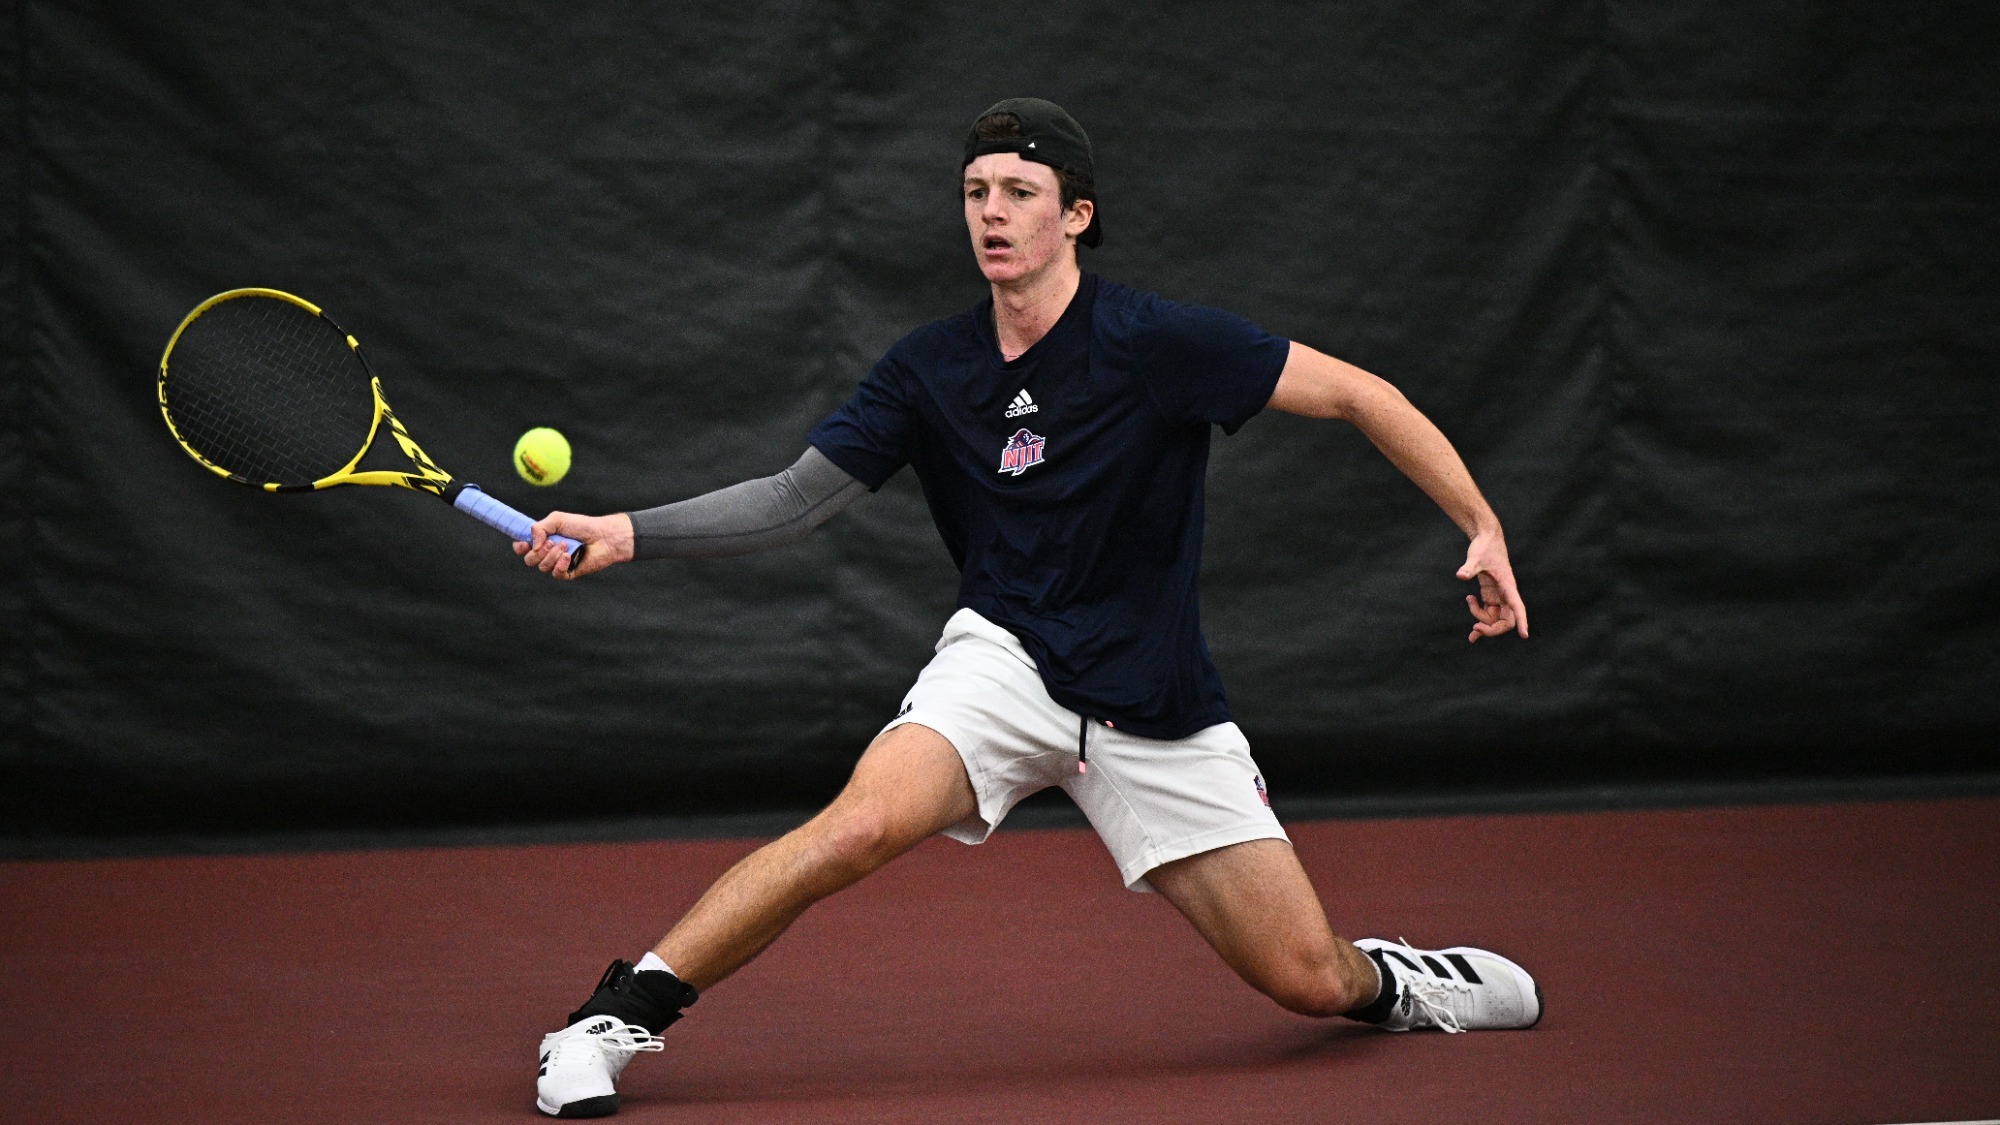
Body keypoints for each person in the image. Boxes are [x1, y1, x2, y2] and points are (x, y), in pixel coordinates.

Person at [519, 98, 1538, 1119]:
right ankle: (608, 1022)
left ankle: (1398, 984)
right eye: (974, 193)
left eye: (1018, 193)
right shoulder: (928, 369)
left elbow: (1362, 396)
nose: (990, 215)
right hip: (1004, 664)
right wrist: (625, 531)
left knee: (1307, 978)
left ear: (1076, 215)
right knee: (856, 826)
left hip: (1153, 696)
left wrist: (1478, 524)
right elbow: (795, 498)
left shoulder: (1156, 342)